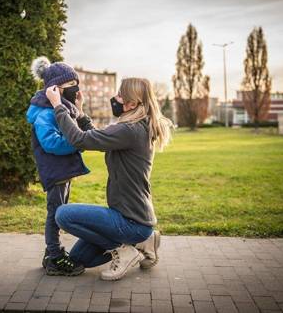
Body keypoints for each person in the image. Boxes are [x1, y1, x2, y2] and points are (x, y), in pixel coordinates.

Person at [45, 77, 173, 281]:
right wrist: (79, 112)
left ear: (132, 103)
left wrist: (57, 105)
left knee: (63, 215)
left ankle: (125, 250)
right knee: (80, 259)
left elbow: (79, 139)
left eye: (120, 95)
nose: (115, 98)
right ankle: (143, 241)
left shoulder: (129, 130)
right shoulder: (135, 127)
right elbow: (97, 136)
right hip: (129, 217)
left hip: (130, 221)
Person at [26, 56, 94, 276]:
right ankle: (54, 257)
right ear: (55, 89)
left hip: (62, 171)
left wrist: (80, 109)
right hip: (55, 171)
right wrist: (77, 144)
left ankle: (51, 254)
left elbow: (80, 131)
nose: (75, 89)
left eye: (76, 84)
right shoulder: (45, 112)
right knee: (55, 214)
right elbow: (51, 143)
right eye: (70, 86)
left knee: (57, 211)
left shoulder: (63, 109)